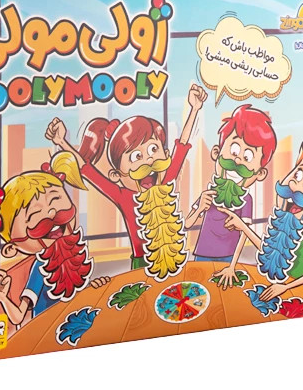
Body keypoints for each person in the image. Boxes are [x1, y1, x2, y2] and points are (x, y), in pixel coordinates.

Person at [46, 84, 207, 279]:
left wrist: (194, 109)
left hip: (175, 260)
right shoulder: (124, 196)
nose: (148, 161)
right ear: (117, 175)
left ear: (165, 154)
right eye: (136, 156)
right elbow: (88, 171)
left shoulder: (165, 182)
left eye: (153, 149)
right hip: (142, 264)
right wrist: (62, 142)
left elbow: (182, 145)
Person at [0, 151, 108, 327]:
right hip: (48, 329)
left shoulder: (74, 255)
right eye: (35, 213)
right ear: (11, 249)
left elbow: (74, 293)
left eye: (55, 199)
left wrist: (92, 286)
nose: (51, 212)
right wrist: (2, 297)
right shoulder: (41, 268)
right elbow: (18, 317)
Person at [223, 123, 303, 301]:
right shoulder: (279, 229)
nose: (294, 185)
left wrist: (284, 287)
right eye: (297, 174)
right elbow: (266, 250)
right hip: (287, 284)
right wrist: (242, 226)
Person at [185, 105, 276, 289]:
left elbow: (243, 236)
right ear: (216, 153)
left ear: (260, 173)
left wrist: (232, 266)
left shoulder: (246, 200)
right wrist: (200, 207)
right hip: (202, 253)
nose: (238, 160)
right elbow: (187, 224)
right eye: (234, 151)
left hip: (228, 256)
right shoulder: (210, 191)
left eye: (248, 156)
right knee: (199, 291)